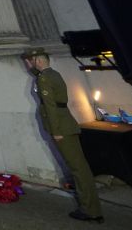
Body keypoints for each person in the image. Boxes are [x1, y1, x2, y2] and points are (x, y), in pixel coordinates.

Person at [22, 48, 104, 223]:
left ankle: (90, 209)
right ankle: (91, 207)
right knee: (79, 167)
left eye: (29, 61)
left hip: (62, 128)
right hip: (66, 125)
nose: (28, 65)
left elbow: (50, 106)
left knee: (78, 169)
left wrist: (56, 131)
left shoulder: (44, 78)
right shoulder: (53, 74)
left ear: (37, 60)